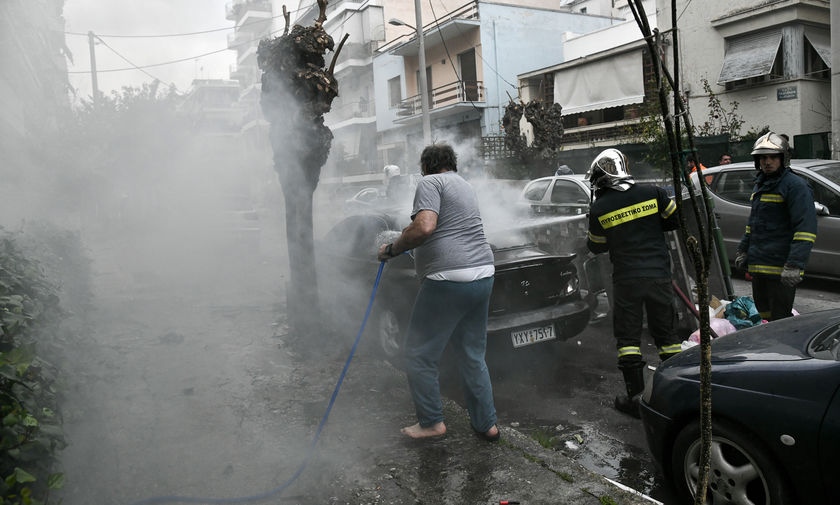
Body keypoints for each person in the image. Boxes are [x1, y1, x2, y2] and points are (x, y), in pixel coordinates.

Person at [377, 143, 499, 441]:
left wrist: (392, 248)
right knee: (472, 355)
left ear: (425, 166)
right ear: (452, 163)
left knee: (419, 354)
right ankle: (487, 425)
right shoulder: (465, 186)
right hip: (483, 273)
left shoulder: (430, 182)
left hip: (449, 279)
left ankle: (432, 422)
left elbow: (425, 227)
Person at [585, 148, 681, 418]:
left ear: (602, 178)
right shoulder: (655, 192)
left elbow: (597, 247)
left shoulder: (599, 207)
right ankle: (677, 392)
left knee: (628, 338)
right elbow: (673, 220)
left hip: (627, 280)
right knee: (667, 337)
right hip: (659, 275)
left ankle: (636, 399)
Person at [734, 132, 817, 321]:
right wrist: (743, 250)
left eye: (773, 157)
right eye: (763, 157)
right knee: (764, 318)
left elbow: (805, 230)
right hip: (759, 268)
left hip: (781, 270)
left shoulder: (795, 186)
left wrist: (794, 265)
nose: (767, 162)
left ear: (783, 158)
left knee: (780, 321)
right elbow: (753, 224)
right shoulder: (761, 185)